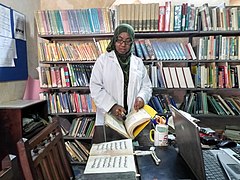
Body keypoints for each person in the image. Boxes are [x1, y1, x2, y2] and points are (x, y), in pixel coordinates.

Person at [89, 23, 152, 142]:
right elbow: (95, 88)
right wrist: (112, 106)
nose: (123, 45)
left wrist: (141, 98)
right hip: (109, 119)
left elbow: (146, 86)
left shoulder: (138, 62)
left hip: (132, 119)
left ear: (132, 42)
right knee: (109, 154)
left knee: (132, 153)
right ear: (114, 40)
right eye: (119, 40)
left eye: (128, 41)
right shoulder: (103, 61)